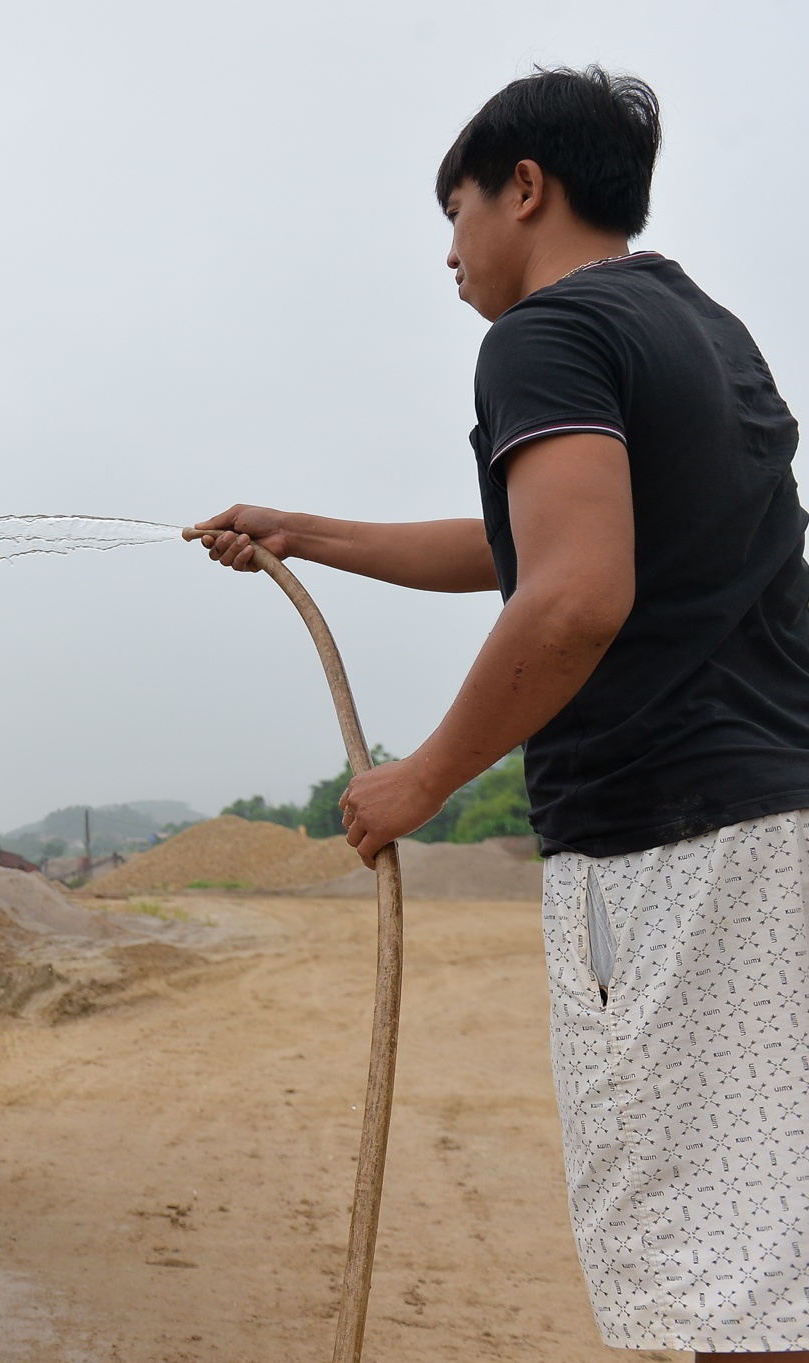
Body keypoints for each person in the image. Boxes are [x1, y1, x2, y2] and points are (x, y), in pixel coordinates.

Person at [192, 68, 809, 1359]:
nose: (452, 253)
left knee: (725, 1279)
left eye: (458, 211)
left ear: (526, 190)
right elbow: (527, 547)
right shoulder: (705, 331)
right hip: (775, 833)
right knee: (773, 1248)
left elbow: (574, 592)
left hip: (671, 854)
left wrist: (419, 779)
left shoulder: (540, 339)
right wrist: (307, 532)